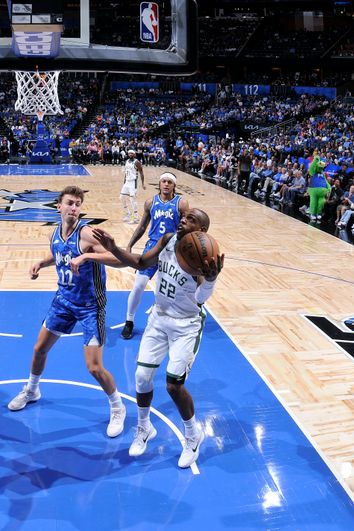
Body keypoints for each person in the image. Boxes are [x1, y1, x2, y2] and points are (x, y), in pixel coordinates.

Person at [92, 208, 223, 466]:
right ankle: (144, 428)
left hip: (186, 325)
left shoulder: (202, 257)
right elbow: (141, 263)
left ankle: (193, 436)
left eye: (191, 219)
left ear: (202, 232)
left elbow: (199, 300)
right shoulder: (167, 240)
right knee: (141, 377)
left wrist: (210, 281)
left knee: (174, 385)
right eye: (184, 216)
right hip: (159, 318)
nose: (183, 218)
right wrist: (114, 248)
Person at [7, 186, 127, 438]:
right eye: (70, 203)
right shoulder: (55, 232)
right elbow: (58, 254)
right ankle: (32, 390)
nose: (74, 208)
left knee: (94, 367)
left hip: (90, 306)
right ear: (58, 207)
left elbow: (119, 258)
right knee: (39, 349)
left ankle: (118, 407)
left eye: (78, 204)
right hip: (63, 301)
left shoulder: (88, 234)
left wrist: (87, 258)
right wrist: (41, 262)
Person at [121, 172, 189, 340]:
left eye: (169, 182)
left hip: (173, 249)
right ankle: (129, 321)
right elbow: (142, 227)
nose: (166, 184)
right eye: (163, 181)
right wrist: (130, 244)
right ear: (159, 183)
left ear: (174, 185)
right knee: (138, 285)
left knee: (172, 289)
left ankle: (175, 322)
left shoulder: (181, 203)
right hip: (152, 248)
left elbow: (188, 228)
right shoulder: (151, 202)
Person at [120, 150, 146, 224]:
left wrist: (143, 183)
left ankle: (136, 218)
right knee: (121, 197)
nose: (130, 154)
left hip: (133, 182)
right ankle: (128, 213)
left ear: (134, 154)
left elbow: (141, 173)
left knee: (132, 200)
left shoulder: (137, 162)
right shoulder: (127, 161)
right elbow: (126, 172)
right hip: (127, 182)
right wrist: (124, 181)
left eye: (132, 153)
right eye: (129, 153)